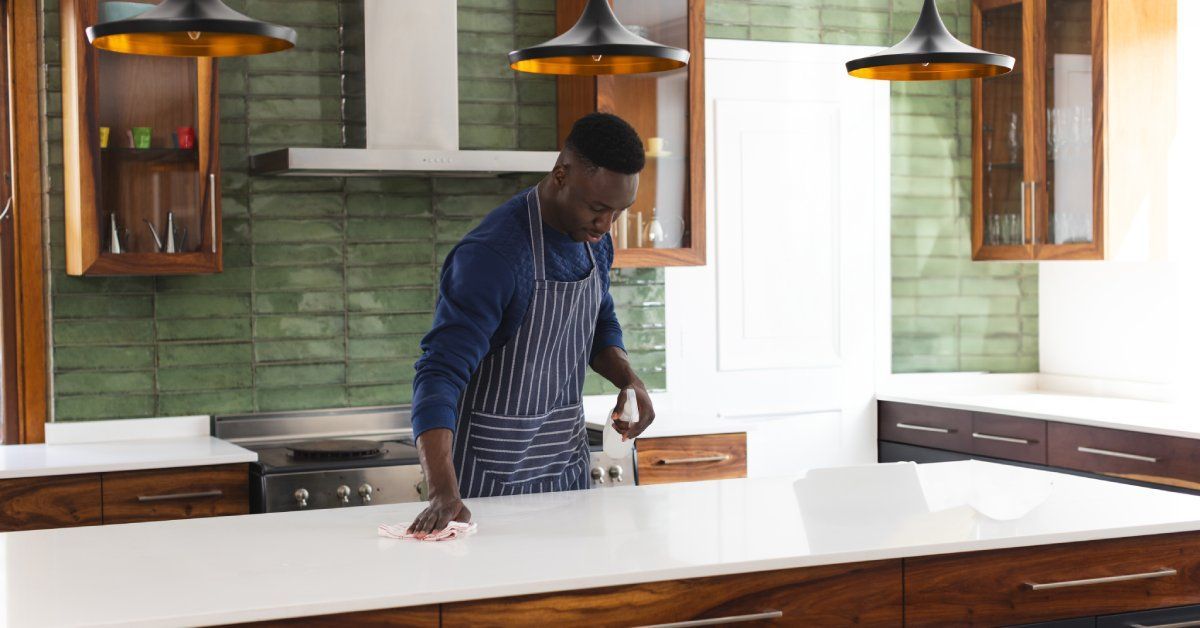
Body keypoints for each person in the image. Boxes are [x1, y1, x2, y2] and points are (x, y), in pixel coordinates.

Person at [406, 113, 656, 536]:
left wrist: (630, 380)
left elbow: (600, 318)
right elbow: (439, 374)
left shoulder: (594, 241)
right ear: (561, 174)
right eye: (597, 209)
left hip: (566, 479)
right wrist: (441, 491)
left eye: (618, 212)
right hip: (486, 492)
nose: (605, 227)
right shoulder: (493, 256)